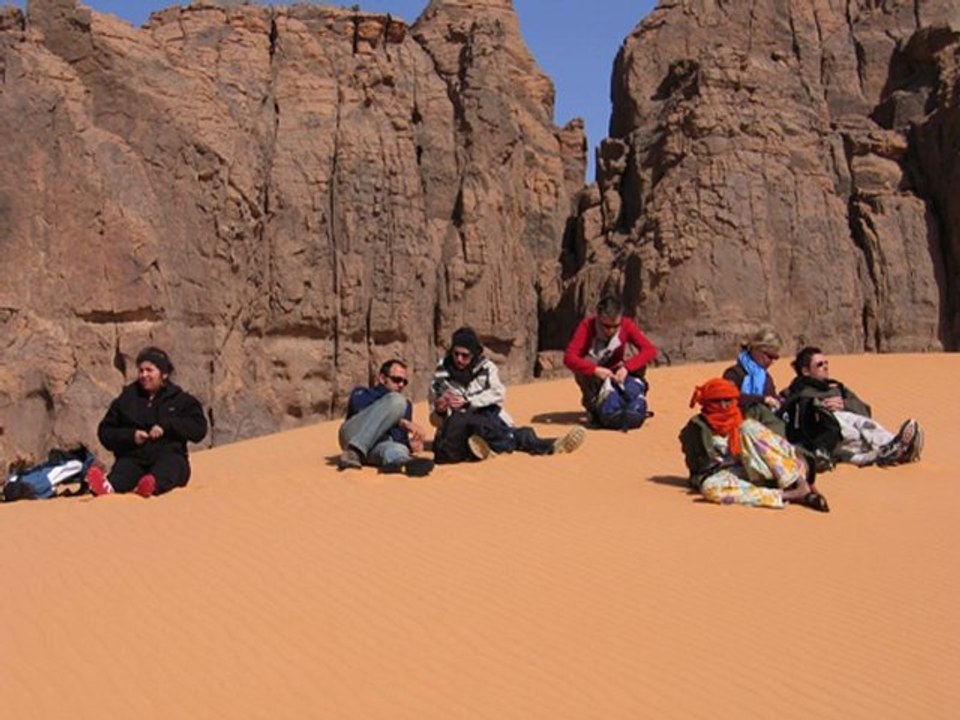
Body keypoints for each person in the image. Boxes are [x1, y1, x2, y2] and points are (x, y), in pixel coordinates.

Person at [430, 327, 585, 462]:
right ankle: (491, 449)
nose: (459, 359)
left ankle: (554, 445)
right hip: (457, 426)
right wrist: (440, 410)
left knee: (504, 432)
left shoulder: (487, 368)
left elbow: (498, 394)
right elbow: (434, 418)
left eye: (465, 355)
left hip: (487, 419)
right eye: (456, 354)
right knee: (451, 446)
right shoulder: (440, 375)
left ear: (474, 354)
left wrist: (469, 401)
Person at [679, 378, 829, 511]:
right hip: (739, 472)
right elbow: (700, 468)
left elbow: (778, 441)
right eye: (717, 401)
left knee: (748, 427)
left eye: (728, 400)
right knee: (710, 488)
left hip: (774, 465)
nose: (724, 406)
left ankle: (798, 483)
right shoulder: (697, 427)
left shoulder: (752, 413)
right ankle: (788, 495)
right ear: (707, 403)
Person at [90, 346, 207, 497]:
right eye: (141, 370)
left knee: (168, 469)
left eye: (149, 370)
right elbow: (105, 432)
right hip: (134, 458)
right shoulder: (126, 399)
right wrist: (131, 436)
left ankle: (150, 486)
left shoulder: (181, 401)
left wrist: (167, 426)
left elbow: (198, 429)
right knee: (123, 472)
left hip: (169, 456)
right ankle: (107, 487)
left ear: (164, 374)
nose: (144, 375)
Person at [781, 347, 922, 467]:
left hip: (853, 434)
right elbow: (786, 415)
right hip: (826, 436)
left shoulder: (837, 388)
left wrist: (845, 404)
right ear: (805, 371)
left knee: (863, 425)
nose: (825, 367)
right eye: (819, 364)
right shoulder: (795, 392)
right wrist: (818, 407)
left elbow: (865, 410)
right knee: (846, 423)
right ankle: (894, 448)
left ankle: (896, 447)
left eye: (826, 363)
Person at [563, 296, 658, 426]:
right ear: (598, 318)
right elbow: (569, 358)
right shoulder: (587, 326)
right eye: (606, 326)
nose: (611, 331)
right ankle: (593, 407)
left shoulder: (626, 325)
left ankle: (630, 400)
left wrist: (626, 368)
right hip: (596, 375)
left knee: (639, 365)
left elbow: (649, 350)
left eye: (615, 326)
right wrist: (595, 370)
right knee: (584, 366)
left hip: (617, 372)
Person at [338, 359, 434, 476]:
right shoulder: (363, 393)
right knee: (397, 400)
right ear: (383, 379)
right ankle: (353, 451)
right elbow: (361, 411)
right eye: (397, 380)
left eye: (404, 382)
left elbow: (399, 437)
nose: (401, 385)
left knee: (397, 448)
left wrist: (411, 445)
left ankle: (403, 463)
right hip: (352, 437)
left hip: (375, 448)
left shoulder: (406, 406)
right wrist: (400, 422)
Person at [722, 328, 784, 411]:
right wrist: (762, 400)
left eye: (775, 358)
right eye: (769, 356)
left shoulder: (766, 378)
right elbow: (728, 398)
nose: (771, 362)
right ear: (756, 349)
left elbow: (773, 399)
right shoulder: (734, 373)